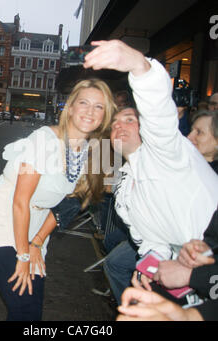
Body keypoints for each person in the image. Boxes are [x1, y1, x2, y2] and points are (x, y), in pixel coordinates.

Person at [0, 78, 116, 321]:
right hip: (3, 216)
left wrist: (38, 242)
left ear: (105, 115)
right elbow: (20, 200)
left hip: (37, 226)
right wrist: (23, 254)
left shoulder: (98, 150)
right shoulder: (44, 140)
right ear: (70, 108)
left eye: (99, 106)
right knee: (25, 309)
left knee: (31, 308)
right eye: (83, 102)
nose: (90, 111)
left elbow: (70, 204)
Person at [83, 39, 218, 306]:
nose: (119, 126)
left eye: (130, 120)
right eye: (114, 125)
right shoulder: (125, 187)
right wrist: (150, 267)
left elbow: (159, 114)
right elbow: (149, 239)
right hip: (184, 279)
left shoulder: (167, 152)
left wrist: (138, 65)